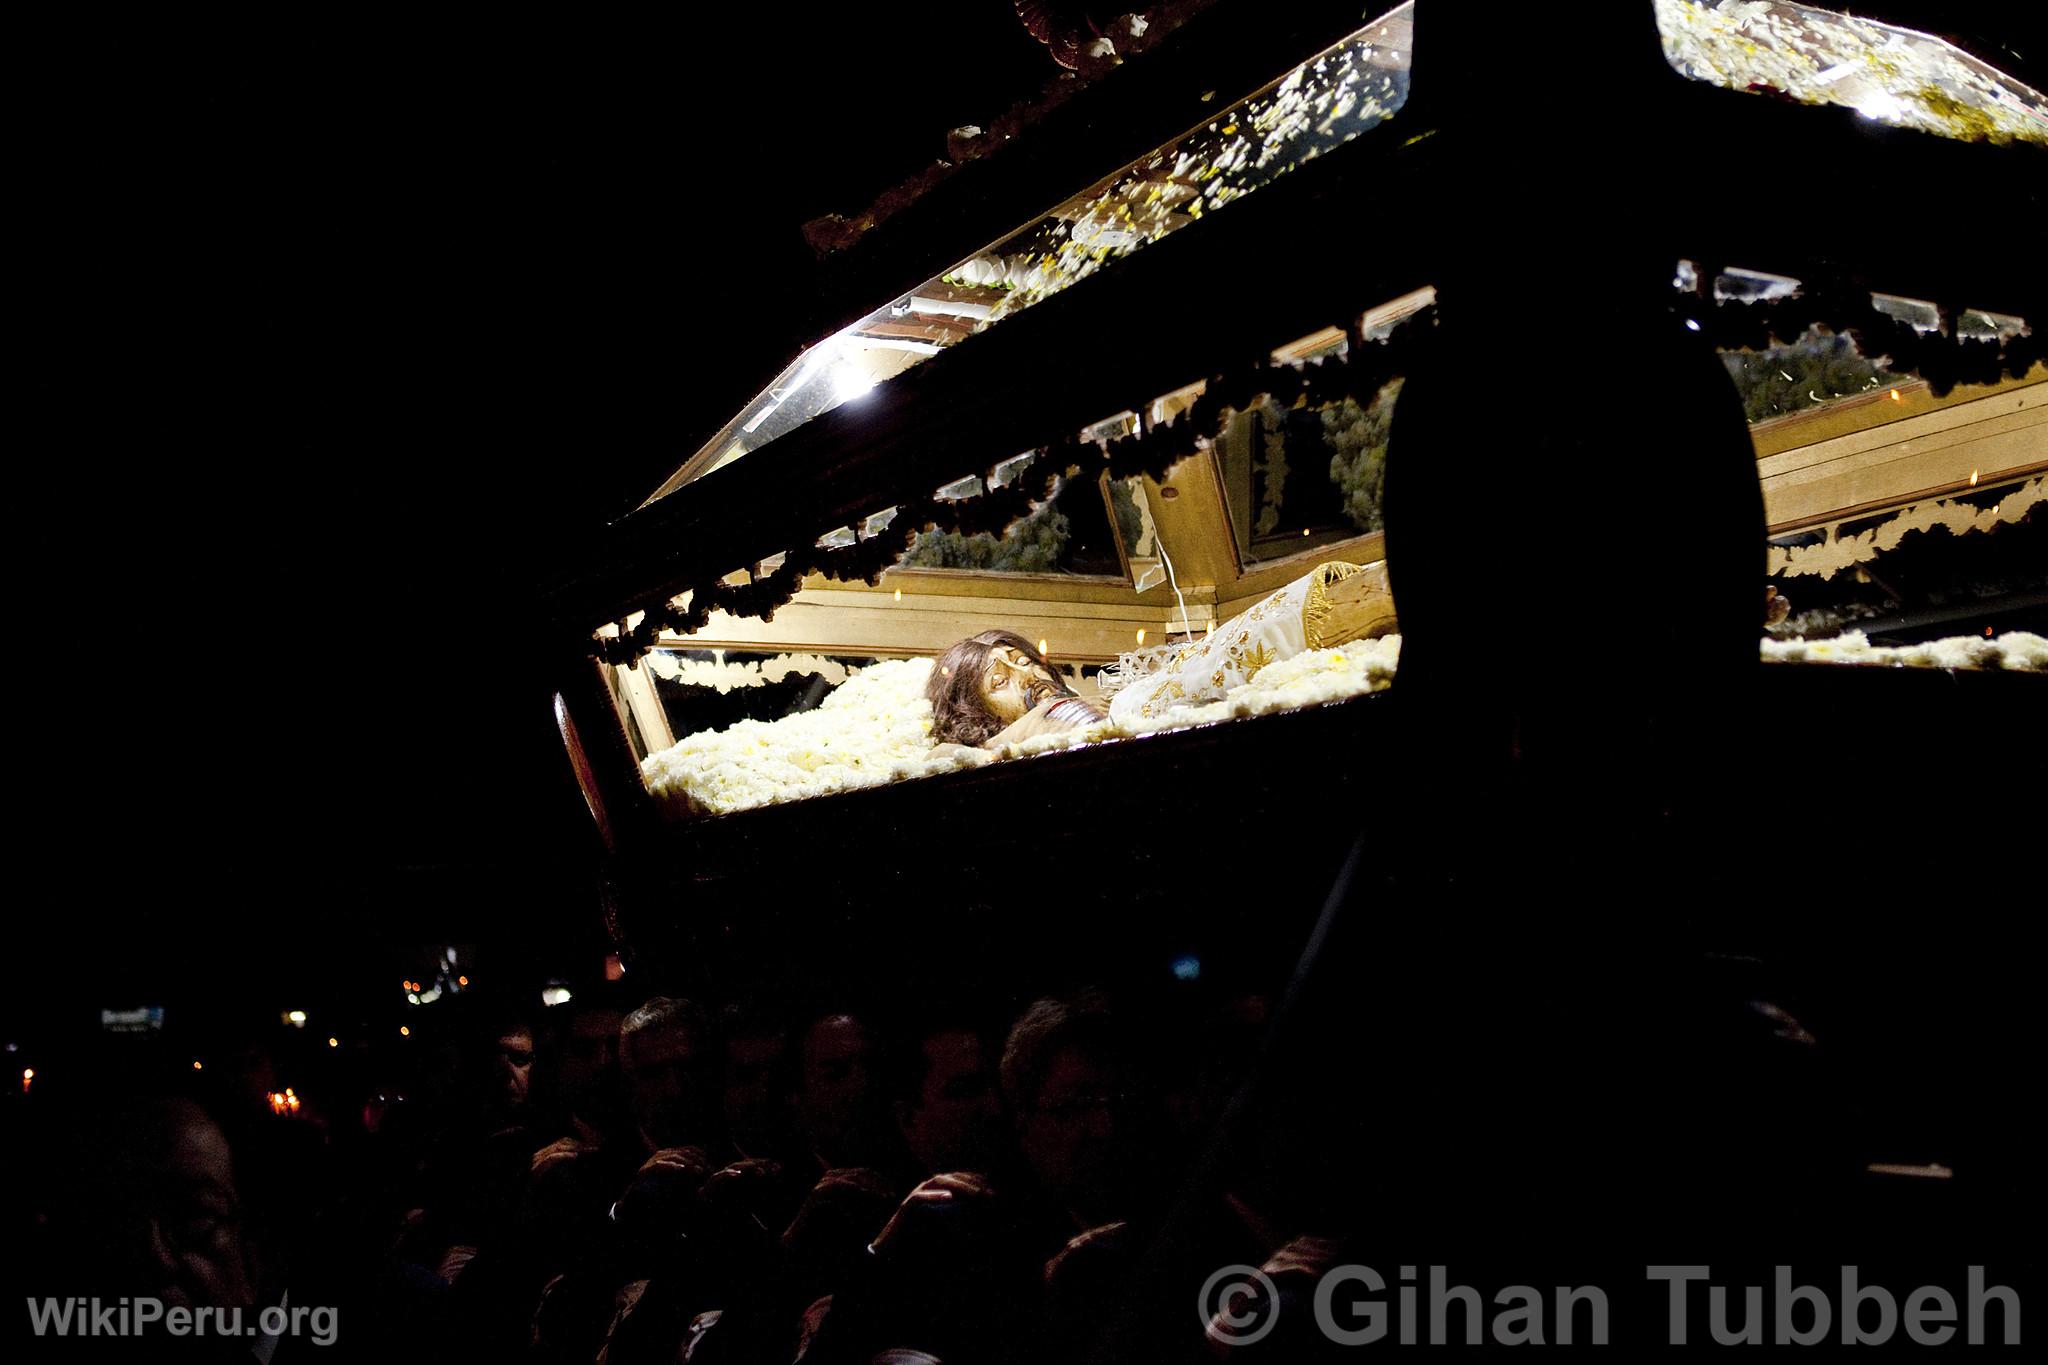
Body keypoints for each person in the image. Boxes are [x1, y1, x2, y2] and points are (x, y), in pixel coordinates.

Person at [926, 559, 1396, 747]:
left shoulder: (1066, 709)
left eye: (1023, 659)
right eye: (999, 680)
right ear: (977, 714)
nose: (1025, 673)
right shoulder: (1031, 729)